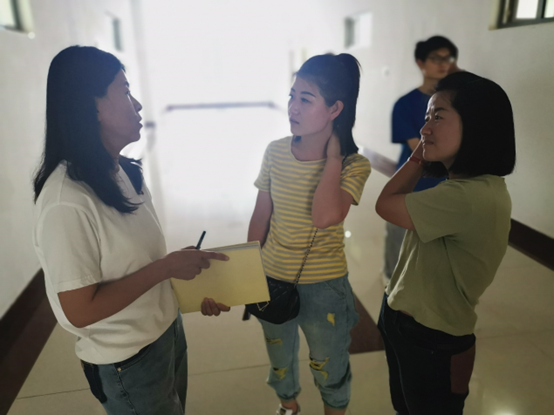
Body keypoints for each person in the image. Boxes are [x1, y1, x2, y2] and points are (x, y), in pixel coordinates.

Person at [32, 46, 229, 415]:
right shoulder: (66, 201)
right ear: (90, 105)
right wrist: (166, 267)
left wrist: (184, 274)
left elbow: (137, 264)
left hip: (165, 332)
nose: (137, 104)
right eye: (124, 91)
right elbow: (79, 310)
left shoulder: (123, 171)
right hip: (128, 360)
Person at [375, 71, 516, 414]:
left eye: (438, 116)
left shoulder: (466, 197)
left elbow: (385, 204)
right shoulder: (470, 188)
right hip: (409, 324)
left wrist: (418, 157)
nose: (425, 129)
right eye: (427, 117)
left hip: (430, 339)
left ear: (478, 125)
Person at [248, 54, 371, 415]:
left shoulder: (354, 165)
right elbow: (260, 217)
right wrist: (246, 274)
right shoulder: (275, 152)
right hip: (272, 276)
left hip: (324, 287)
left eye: (305, 99)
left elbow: (324, 216)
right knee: (279, 357)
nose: (293, 107)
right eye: (292, 95)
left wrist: (333, 159)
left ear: (335, 109)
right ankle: (288, 405)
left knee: (329, 363)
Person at [382, 36, 458, 285]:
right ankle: (390, 278)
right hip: (412, 180)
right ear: (420, 63)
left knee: (434, 239)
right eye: (436, 58)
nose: (443, 63)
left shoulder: (458, 104)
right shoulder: (405, 104)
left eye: (447, 58)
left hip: (444, 182)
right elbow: (420, 147)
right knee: (398, 232)